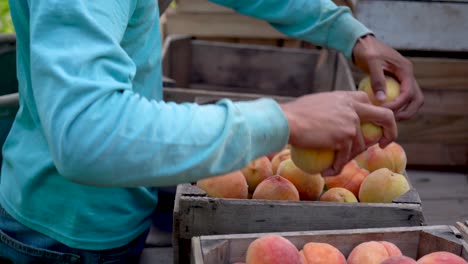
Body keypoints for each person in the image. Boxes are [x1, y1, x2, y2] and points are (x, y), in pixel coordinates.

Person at [0, 0, 423, 263]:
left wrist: (347, 32)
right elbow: (84, 133)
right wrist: (283, 120)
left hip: (107, 217)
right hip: (62, 237)